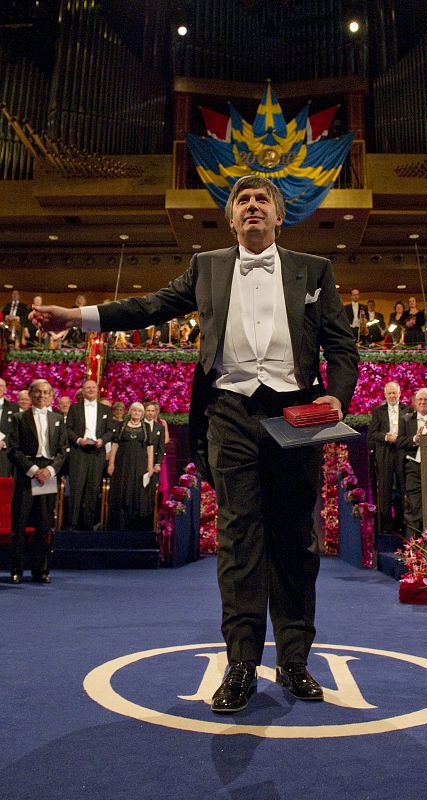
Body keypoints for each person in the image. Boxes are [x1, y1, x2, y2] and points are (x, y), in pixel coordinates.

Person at [30, 174, 359, 714]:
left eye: (262, 201)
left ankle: (295, 660)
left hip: (298, 417)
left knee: (297, 540)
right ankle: (241, 664)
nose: (252, 206)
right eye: (242, 201)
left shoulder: (315, 270)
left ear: (280, 217)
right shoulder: (207, 267)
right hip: (229, 415)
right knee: (238, 540)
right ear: (231, 219)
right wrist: (80, 317)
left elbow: (342, 347)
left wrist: (337, 398)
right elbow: (149, 307)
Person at [8, 380, 67, 583]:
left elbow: (62, 451)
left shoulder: (58, 419)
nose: (42, 396)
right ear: (31, 394)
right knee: (20, 523)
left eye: (46, 392)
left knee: (44, 524)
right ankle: (16, 569)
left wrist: (50, 470)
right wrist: (33, 471)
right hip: (27, 473)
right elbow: (13, 449)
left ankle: (41, 570)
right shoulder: (19, 418)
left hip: (48, 475)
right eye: (38, 392)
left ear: (52, 396)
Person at [65, 379, 114, 530]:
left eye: (93, 387)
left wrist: (101, 440)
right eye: (88, 388)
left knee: (93, 489)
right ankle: (72, 523)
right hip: (79, 452)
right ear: (83, 391)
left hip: (97, 453)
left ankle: (88, 524)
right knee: (76, 488)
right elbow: (68, 430)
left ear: (98, 389)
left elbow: (110, 431)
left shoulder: (105, 410)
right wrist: (79, 440)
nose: (91, 390)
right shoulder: (74, 408)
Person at [396, 388, 427, 535]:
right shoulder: (405, 419)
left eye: (426, 400)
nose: (422, 402)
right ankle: (414, 546)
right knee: (414, 505)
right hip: (413, 468)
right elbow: (399, 442)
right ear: (415, 402)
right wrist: (415, 439)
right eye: (420, 400)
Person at [366, 382, 409, 533]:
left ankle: (403, 524)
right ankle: (386, 527)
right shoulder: (378, 411)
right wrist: (386, 437)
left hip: (402, 451)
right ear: (385, 395)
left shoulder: (407, 410)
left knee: (404, 487)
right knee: (385, 489)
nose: (392, 396)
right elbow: (372, 434)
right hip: (385, 453)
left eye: (394, 393)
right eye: (389, 393)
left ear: (399, 394)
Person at [107, 401, 153, 531]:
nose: (136, 413)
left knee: (136, 490)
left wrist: (150, 466)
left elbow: (150, 447)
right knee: (122, 488)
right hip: (123, 464)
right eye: (134, 410)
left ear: (142, 414)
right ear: (130, 412)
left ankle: (134, 524)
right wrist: (111, 463)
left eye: (139, 411)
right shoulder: (121, 425)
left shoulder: (146, 427)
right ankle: (120, 523)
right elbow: (115, 445)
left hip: (139, 465)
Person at [0, 378, 18, 476]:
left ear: (5, 389)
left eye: (1, 386)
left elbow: (15, 430)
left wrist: (4, 442)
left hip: (4, 454)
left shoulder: (14, 408)